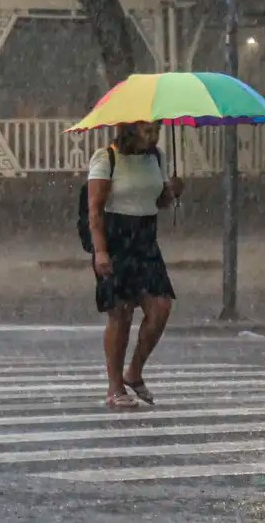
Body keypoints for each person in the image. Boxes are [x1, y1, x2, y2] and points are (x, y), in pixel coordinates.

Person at [87, 122, 183, 409]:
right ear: (129, 130)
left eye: (156, 131)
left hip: (145, 239)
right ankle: (115, 386)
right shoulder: (107, 158)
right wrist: (101, 251)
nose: (153, 137)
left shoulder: (157, 157)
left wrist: (173, 191)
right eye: (147, 131)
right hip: (116, 239)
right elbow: (94, 210)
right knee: (121, 313)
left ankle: (134, 371)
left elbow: (160, 201)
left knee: (161, 307)